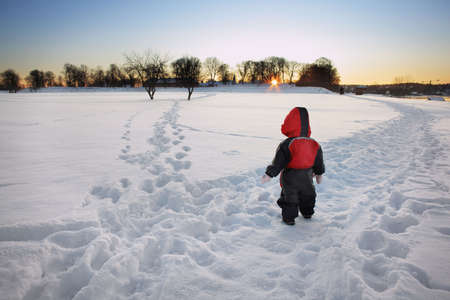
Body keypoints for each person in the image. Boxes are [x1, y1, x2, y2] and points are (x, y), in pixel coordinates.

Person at [261, 107, 325, 225]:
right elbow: (318, 160)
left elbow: (278, 162)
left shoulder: (287, 143)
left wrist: (269, 174)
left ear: (289, 123)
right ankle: (307, 212)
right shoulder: (314, 143)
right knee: (308, 194)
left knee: (290, 196)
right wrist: (319, 173)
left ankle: (289, 218)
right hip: (307, 177)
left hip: (290, 177)